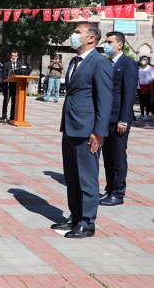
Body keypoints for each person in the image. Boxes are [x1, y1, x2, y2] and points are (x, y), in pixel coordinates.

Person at [51, 22, 112, 239]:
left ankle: (87, 223)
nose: (73, 35)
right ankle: (76, 216)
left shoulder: (99, 62)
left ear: (91, 38)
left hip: (88, 130)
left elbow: (105, 100)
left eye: (78, 32)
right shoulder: (75, 61)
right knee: (72, 177)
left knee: (87, 178)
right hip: (70, 127)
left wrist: (99, 132)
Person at [100, 32, 138, 207]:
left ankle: (118, 193)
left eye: (110, 42)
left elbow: (129, 94)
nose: (106, 45)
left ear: (120, 44)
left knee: (118, 156)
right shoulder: (107, 63)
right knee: (108, 156)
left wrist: (124, 120)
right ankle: (110, 189)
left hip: (119, 118)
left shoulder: (128, 63)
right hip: (106, 117)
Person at [0, 50, 19, 122]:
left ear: (17, 56)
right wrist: (9, 78)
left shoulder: (19, 65)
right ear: (10, 56)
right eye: (13, 56)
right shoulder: (6, 64)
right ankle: (4, 116)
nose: (14, 57)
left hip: (16, 86)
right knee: (6, 101)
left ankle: (12, 117)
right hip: (8, 86)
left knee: (14, 102)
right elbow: (4, 75)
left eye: (15, 56)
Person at [137, 56, 153, 121]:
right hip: (140, 87)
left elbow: (152, 79)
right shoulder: (140, 69)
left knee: (147, 101)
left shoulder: (150, 69)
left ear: (147, 61)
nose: (142, 61)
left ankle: (147, 114)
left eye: (144, 59)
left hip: (147, 87)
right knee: (141, 101)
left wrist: (151, 89)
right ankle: (142, 113)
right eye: (141, 59)